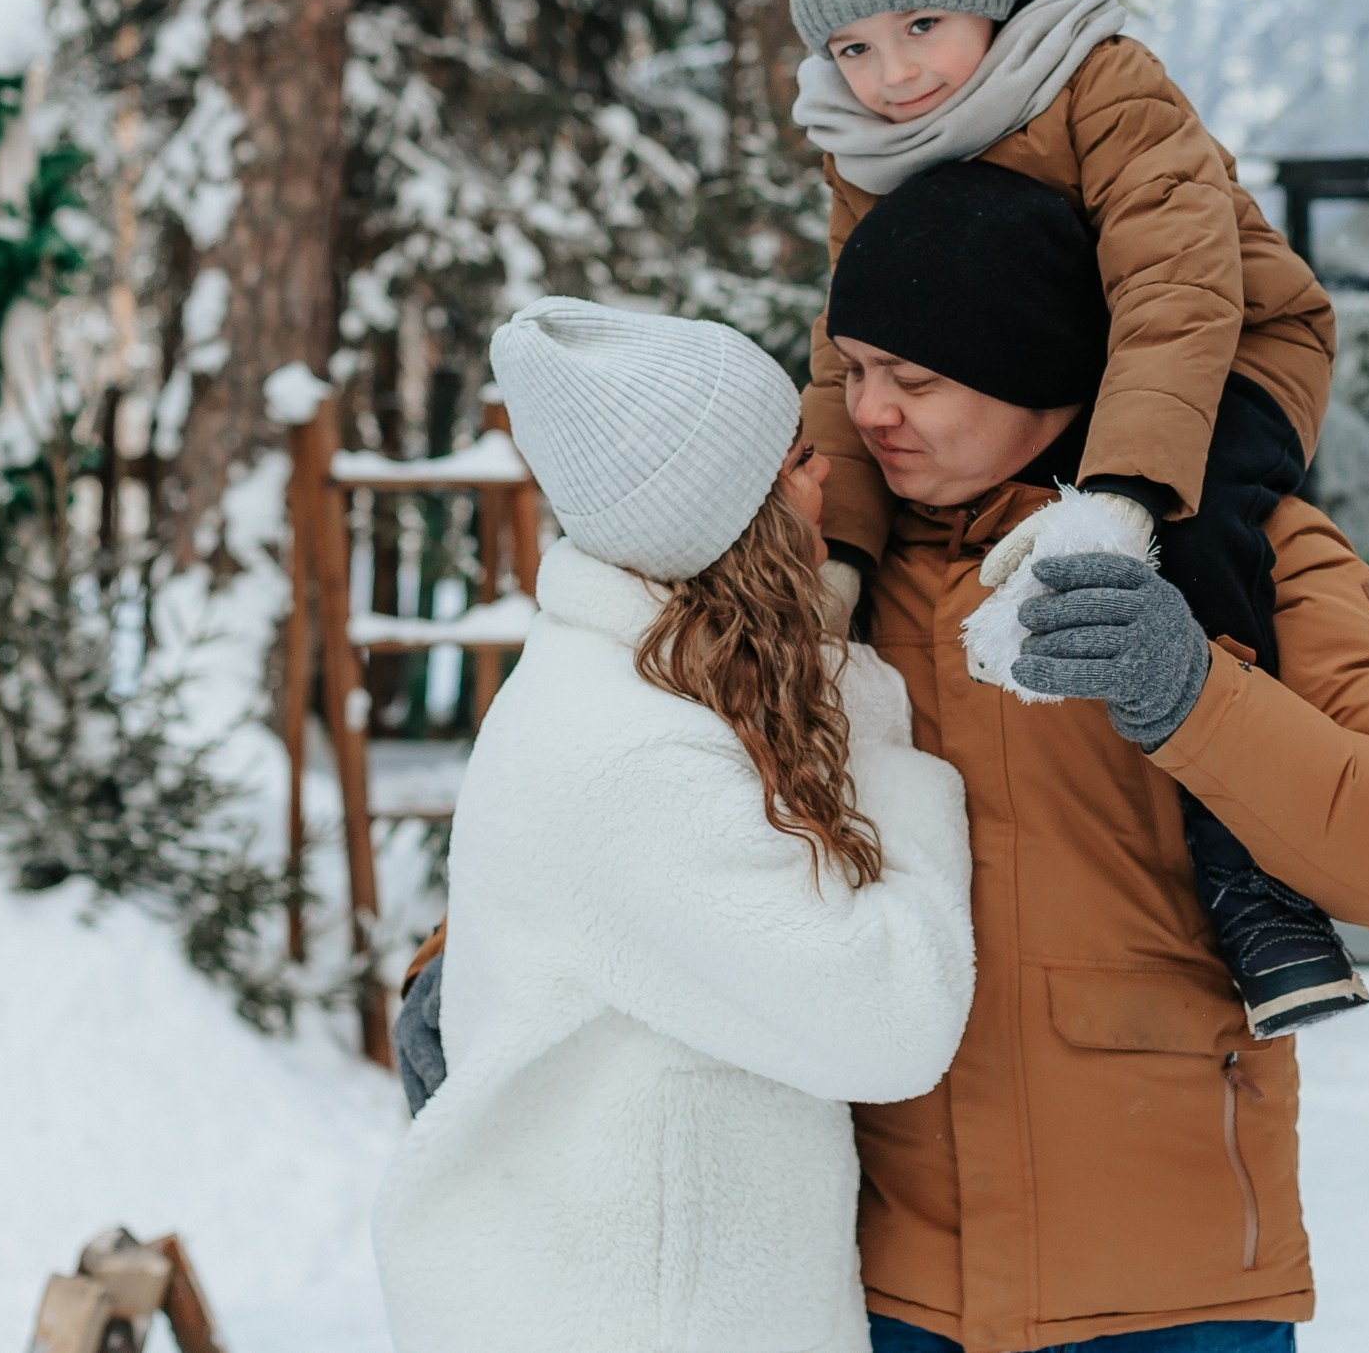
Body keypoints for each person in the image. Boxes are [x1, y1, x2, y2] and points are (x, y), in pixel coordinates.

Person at [822, 161, 1369, 1352]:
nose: (871, 411)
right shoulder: (828, 577)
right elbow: (647, 768)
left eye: (912, 377)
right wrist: (479, 958)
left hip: (1174, 1288)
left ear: (1036, 363)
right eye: (855, 369)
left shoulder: (1249, 548)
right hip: (882, 1284)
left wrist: (1194, 694)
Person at [785, 0, 1360, 1037]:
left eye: (920, 25)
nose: (892, 76)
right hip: (1061, 394)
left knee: (1195, 543)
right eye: (852, 47)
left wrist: (1120, 496)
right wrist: (831, 554)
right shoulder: (867, 153)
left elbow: (1174, 288)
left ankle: (1253, 883)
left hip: (1226, 351)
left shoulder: (1098, 81)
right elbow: (850, 347)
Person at [373, 300, 977, 1353]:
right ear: (730, 517)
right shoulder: (631, 757)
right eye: (794, 459)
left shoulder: (641, 686)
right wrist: (876, 734)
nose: (826, 473)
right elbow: (891, 1018)